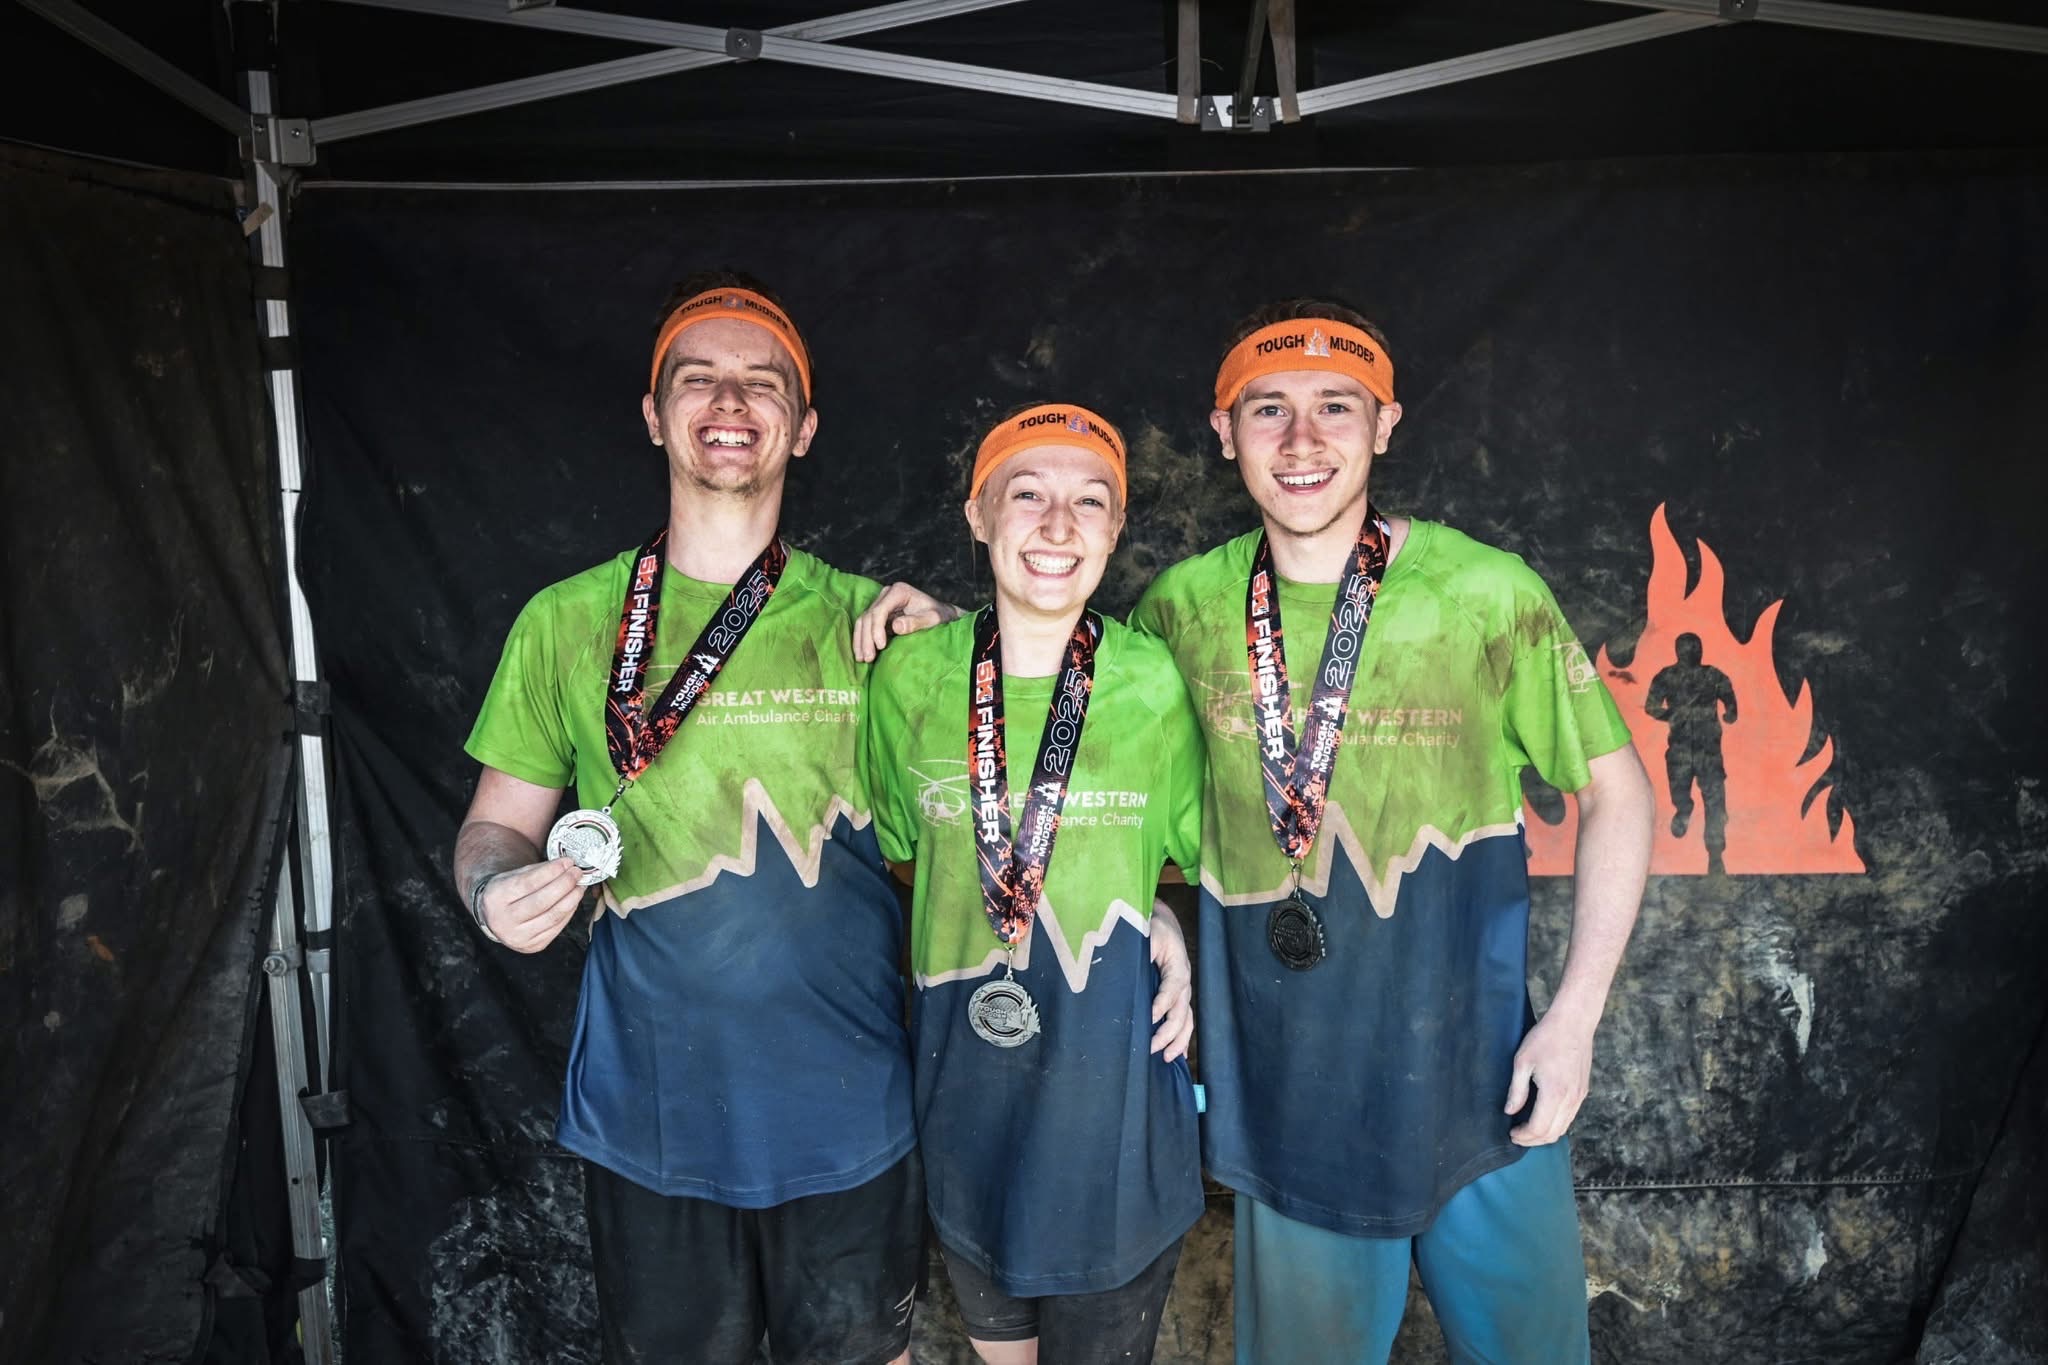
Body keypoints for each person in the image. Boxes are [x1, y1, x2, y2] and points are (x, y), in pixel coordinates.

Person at [1128, 299, 1656, 1363]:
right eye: (1266, 410)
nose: (1302, 438)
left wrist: (1575, 1021)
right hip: (1289, 1093)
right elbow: (1103, 791)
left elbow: (1620, 794)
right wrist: (1156, 913)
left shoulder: (1482, 591)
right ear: (1222, 432)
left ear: (1385, 424)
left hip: (1484, 1086)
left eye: (1336, 407)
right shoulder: (1178, 610)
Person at [453, 272, 940, 1365]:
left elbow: (1003, 817)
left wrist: (965, 655)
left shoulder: (876, 627)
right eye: (698, 379)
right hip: (650, 1118)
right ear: (652, 414)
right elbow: (495, 826)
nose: (730, 401)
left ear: (802, 428)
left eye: (761, 383)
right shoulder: (565, 622)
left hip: (850, 1112)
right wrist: (493, 890)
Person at [860, 404, 1204, 1365]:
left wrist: (1171, 926)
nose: (1059, 525)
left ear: (1116, 530)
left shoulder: (1156, 684)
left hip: (1113, 1118)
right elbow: (894, 852)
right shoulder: (908, 680)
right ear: (978, 516)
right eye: (1028, 495)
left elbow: (1193, 854)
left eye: (1089, 501)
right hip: (968, 1106)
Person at [1646, 631, 1738, 873]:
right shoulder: (1666, 676)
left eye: (1696, 647)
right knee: (1679, 790)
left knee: (1715, 801)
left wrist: (1731, 711)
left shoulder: (1712, 675)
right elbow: (1651, 706)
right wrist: (1671, 715)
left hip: (1709, 751)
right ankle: (1684, 809)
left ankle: (1715, 853)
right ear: (1677, 651)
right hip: (1680, 749)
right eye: (1687, 648)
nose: (1692, 652)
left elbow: (1729, 695)